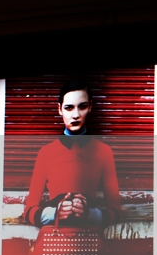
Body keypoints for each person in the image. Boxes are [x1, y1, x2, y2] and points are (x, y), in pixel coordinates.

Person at [23, 78, 121, 234]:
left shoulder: (104, 151)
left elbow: (116, 212)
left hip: (89, 238)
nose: (75, 115)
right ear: (60, 109)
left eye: (82, 107)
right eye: (69, 108)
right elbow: (28, 211)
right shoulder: (46, 152)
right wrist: (55, 213)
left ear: (90, 107)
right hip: (55, 240)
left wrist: (90, 214)